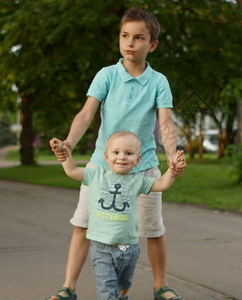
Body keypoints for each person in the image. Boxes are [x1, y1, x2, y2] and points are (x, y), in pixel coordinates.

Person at [47, 7, 186, 300]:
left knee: (153, 229)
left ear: (153, 44)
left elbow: (165, 123)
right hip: (102, 167)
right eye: (125, 35)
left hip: (143, 167)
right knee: (83, 225)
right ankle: (68, 288)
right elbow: (86, 114)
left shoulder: (159, 82)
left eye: (138, 37)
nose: (130, 43)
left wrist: (172, 154)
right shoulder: (107, 75)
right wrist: (70, 143)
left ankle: (161, 287)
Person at [51, 131, 185, 300]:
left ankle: (123, 294)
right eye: (116, 153)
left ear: (137, 160)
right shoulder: (95, 175)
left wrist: (173, 171)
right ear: (106, 157)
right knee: (107, 291)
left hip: (130, 248)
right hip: (102, 250)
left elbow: (162, 184)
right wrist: (64, 155)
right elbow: (71, 170)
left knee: (124, 283)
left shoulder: (138, 180)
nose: (122, 157)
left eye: (128, 153)